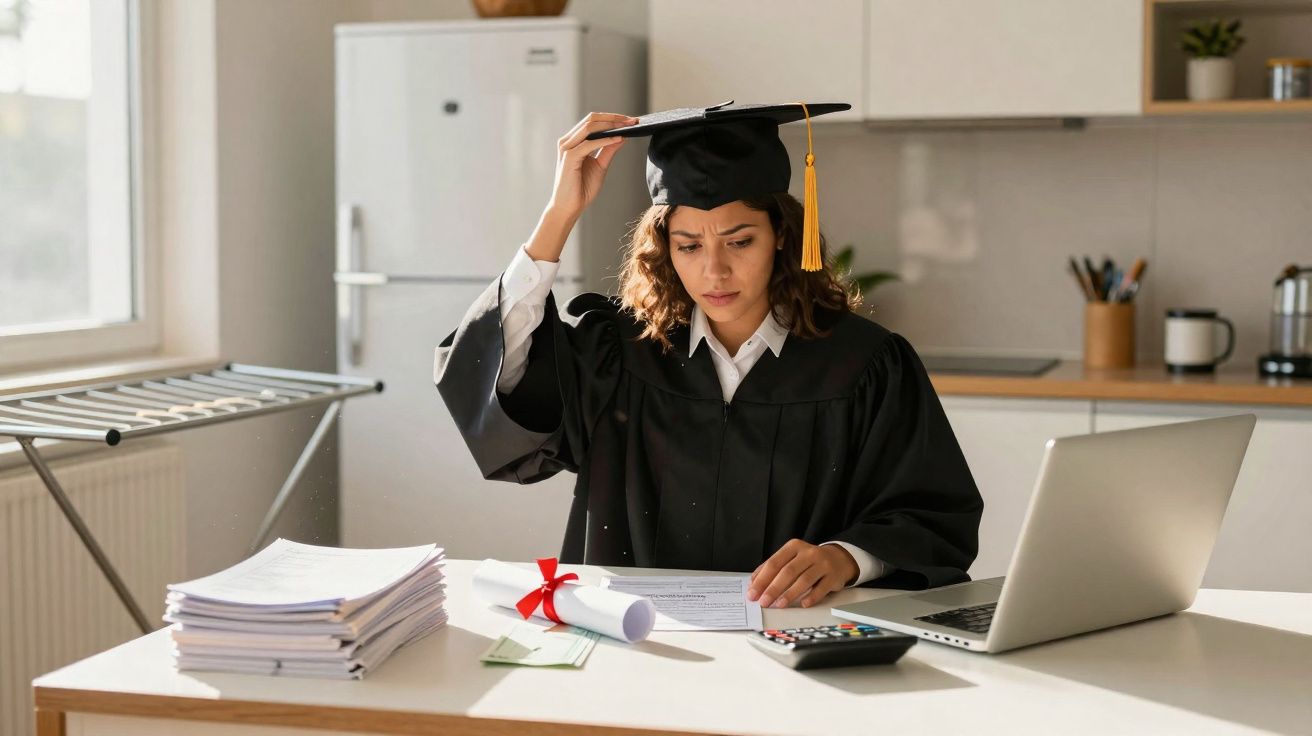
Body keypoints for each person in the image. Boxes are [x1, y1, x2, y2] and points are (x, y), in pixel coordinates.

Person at [436, 101, 982, 609]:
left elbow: (934, 516)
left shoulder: (864, 365)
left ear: (782, 236)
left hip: (797, 638)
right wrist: (559, 215)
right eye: (689, 245)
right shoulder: (617, 355)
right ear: (664, 248)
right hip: (642, 642)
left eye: (740, 241)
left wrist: (846, 558)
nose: (714, 271)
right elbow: (496, 386)